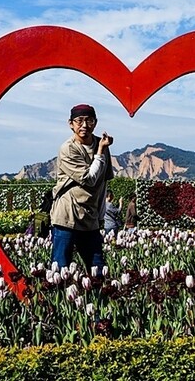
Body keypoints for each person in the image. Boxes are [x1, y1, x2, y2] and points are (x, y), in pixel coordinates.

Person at [49, 104, 114, 274]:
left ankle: (99, 299)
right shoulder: (68, 148)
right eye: (79, 121)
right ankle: (60, 299)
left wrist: (100, 216)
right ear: (71, 124)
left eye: (89, 121)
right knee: (61, 269)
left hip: (90, 219)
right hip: (67, 215)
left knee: (97, 269)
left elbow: (103, 183)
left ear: (95, 123)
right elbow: (89, 179)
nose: (84, 125)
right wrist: (100, 150)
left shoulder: (102, 145)